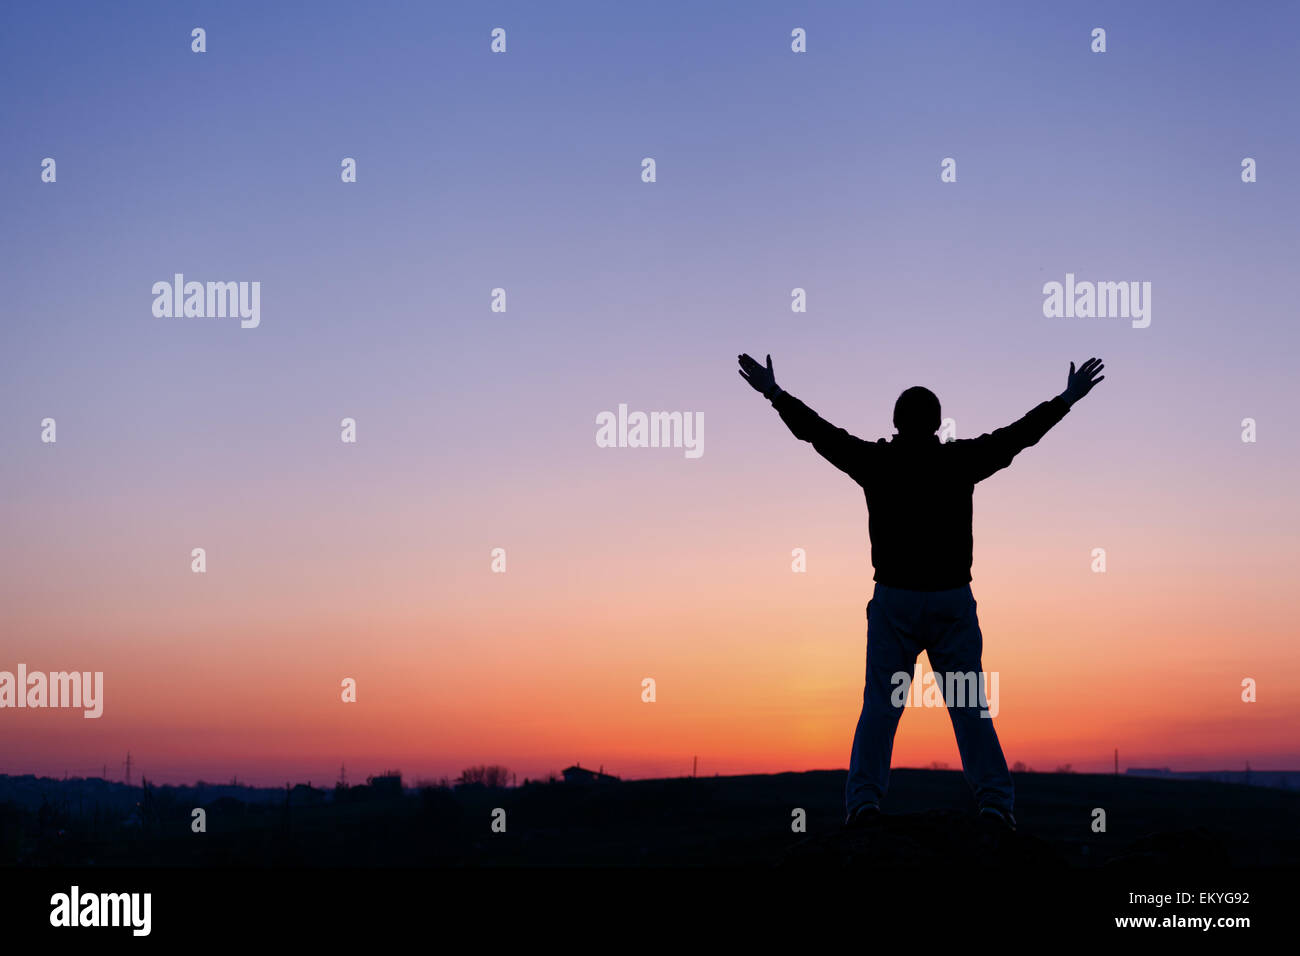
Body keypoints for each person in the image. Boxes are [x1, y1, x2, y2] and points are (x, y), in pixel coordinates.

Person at [736, 353, 1105, 830]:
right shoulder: (959, 461)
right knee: (969, 706)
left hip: (895, 601)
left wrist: (774, 393)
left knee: (880, 708)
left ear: (896, 422)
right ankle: (995, 804)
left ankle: (864, 803)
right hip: (951, 601)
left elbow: (819, 434)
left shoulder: (876, 462)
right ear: (936, 423)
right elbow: (1019, 436)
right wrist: (1066, 400)